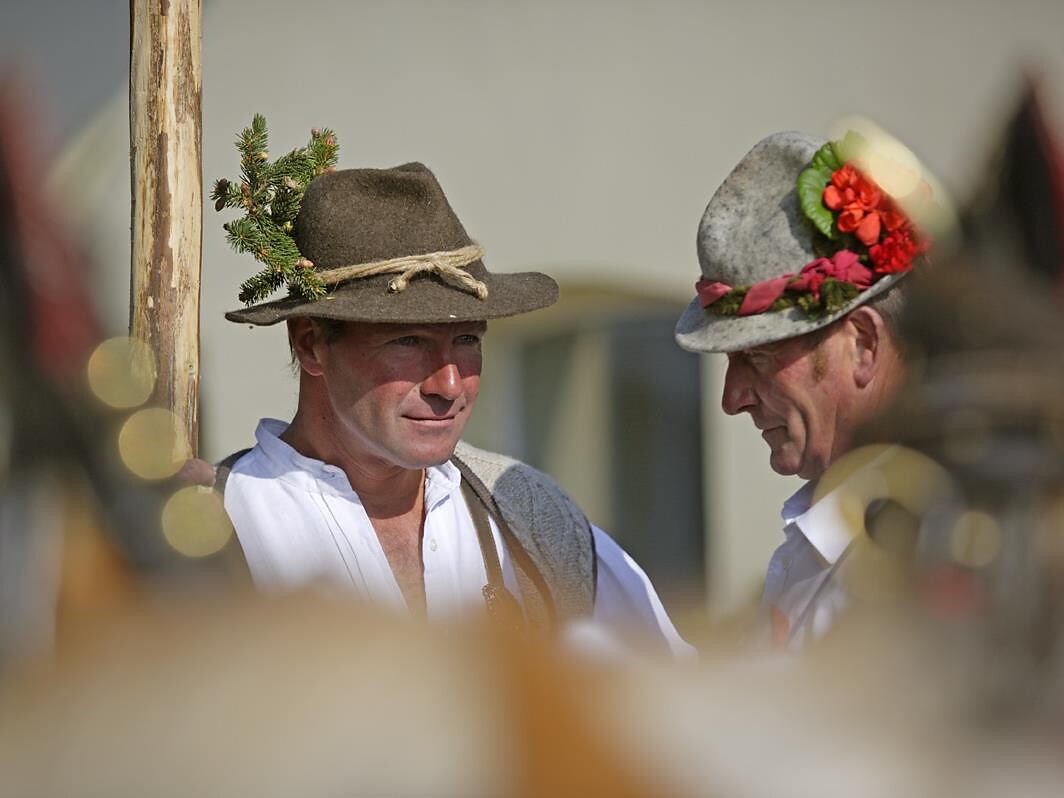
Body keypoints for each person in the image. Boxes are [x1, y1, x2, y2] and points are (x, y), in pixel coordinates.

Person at [216, 159, 690, 657]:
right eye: (407, 340)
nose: (448, 383)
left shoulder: (527, 515)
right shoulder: (223, 528)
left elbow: (670, 695)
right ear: (312, 345)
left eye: (466, 338)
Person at [674, 131, 933, 649]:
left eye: (759, 356)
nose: (733, 399)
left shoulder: (942, 549)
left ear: (862, 344)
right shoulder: (832, 535)